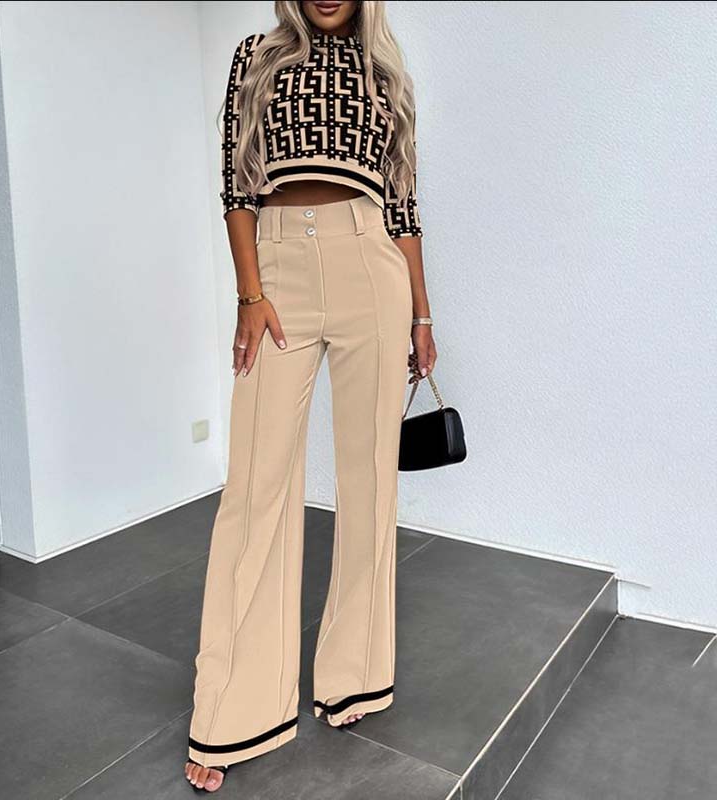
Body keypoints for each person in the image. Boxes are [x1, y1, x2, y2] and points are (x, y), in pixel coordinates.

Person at [185, 0, 436, 791]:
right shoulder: (255, 54)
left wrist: (422, 315)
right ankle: (231, 712)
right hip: (278, 264)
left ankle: (353, 674)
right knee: (255, 488)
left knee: (370, 479)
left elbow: (403, 205)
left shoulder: (386, 71)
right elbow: (236, 186)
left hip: (371, 263)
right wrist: (249, 294)